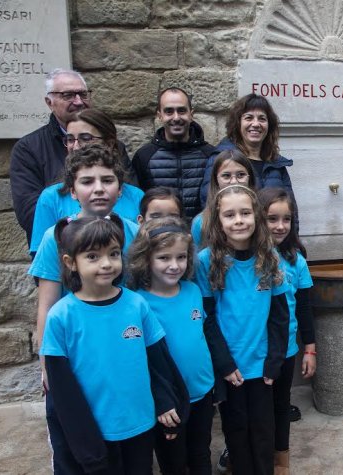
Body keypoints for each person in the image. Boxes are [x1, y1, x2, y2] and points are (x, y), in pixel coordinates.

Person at [41, 216, 188, 474]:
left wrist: (166, 402)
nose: (107, 263)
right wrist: (86, 447)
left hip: (140, 424)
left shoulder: (136, 304)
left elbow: (158, 361)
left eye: (114, 253)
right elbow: (63, 392)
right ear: (70, 262)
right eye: (93, 257)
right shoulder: (61, 316)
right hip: (97, 433)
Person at [194, 184, 290, 474]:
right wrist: (223, 363)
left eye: (245, 213)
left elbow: (279, 316)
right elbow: (207, 318)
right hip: (230, 368)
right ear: (218, 220)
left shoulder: (270, 258)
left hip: (262, 367)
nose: (239, 220)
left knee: (263, 432)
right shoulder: (207, 261)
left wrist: (275, 361)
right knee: (236, 431)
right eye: (230, 214)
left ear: (256, 216)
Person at [29, 144, 140, 354]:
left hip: (127, 337)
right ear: (72, 191)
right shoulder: (55, 237)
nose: (99, 189)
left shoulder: (135, 233)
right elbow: (47, 305)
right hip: (77, 341)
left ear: (120, 189)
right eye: (87, 182)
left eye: (107, 180)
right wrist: (47, 367)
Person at [127, 217, 215, 474]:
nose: (174, 265)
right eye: (164, 258)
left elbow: (202, 339)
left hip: (202, 392)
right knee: (173, 462)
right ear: (146, 259)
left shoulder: (192, 291)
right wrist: (161, 400)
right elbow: (143, 360)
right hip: (168, 402)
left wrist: (214, 386)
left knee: (201, 454)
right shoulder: (137, 303)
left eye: (181, 257)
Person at [259, 187, 317, 475]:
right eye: (272, 219)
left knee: (281, 407)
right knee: (256, 412)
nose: (280, 226)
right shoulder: (248, 258)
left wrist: (310, 349)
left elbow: (305, 308)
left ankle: (281, 462)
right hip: (252, 351)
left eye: (286, 219)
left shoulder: (297, 260)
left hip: (285, 350)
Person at [30, 109, 144, 254]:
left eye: (85, 138)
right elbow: (44, 261)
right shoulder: (51, 198)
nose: (76, 146)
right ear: (73, 192)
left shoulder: (136, 196)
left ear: (109, 143)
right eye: (70, 139)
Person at [11, 69, 91, 244]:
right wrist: (85, 236)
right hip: (58, 252)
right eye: (68, 95)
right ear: (49, 102)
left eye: (83, 94)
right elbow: (30, 213)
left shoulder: (111, 144)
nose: (78, 101)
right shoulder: (28, 149)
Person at [132, 87, 217, 218]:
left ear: (191, 114)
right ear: (159, 115)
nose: (176, 117)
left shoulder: (210, 155)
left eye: (181, 110)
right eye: (169, 111)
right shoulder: (144, 157)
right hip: (160, 235)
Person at [201, 94, 295, 208]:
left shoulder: (277, 164)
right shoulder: (220, 158)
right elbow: (209, 204)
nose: (256, 124)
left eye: (262, 119)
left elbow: (290, 209)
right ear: (238, 123)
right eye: (249, 118)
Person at [193, 150, 257, 247]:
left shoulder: (262, 214)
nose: (234, 181)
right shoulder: (201, 222)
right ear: (216, 180)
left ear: (250, 178)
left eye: (241, 175)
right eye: (226, 176)